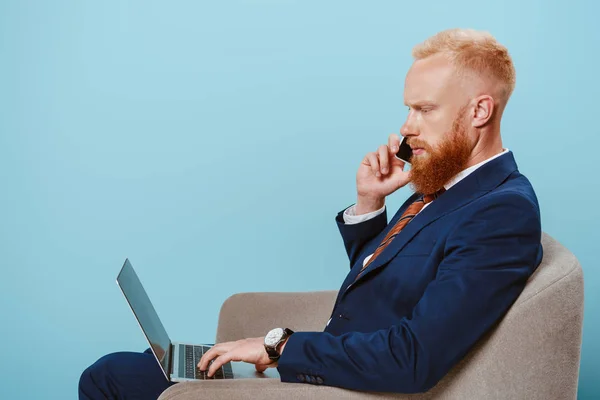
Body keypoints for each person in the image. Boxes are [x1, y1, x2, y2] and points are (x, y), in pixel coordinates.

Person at [79, 28, 543, 398]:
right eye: (407, 108)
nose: (407, 126)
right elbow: (384, 287)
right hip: (326, 363)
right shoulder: (445, 183)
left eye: (424, 109)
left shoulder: (501, 211)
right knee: (146, 364)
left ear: (480, 110)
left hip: (342, 388)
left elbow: (415, 358)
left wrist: (277, 347)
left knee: (111, 378)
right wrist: (369, 205)